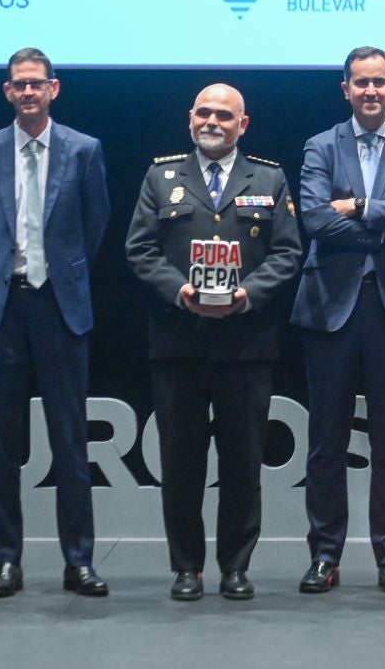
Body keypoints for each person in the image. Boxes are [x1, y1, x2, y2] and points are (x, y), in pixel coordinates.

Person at [124, 83, 302, 602]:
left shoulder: (269, 177)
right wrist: (180, 291)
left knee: (243, 463)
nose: (213, 122)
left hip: (246, 344)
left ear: (242, 125)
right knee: (180, 464)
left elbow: (287, 253)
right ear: (189, 119)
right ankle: (186, 567)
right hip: (179, 342)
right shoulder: (162, 177)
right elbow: (139, 250)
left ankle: (235, 566)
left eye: (225, 115)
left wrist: (247, 295)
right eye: (204, 113)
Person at [0, 47, 112, 599]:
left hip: (60, 308)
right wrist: (3, 277)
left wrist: (62, 276)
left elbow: (95, 227)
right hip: (3, 310)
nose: (28, 92)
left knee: (70, 443)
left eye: (36, 84)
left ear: (54, 88)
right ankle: (6, 561)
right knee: (1, 447)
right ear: (7, 92)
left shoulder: (84, 151)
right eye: (18, 84)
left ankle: (79, 561)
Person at [291, 46, 385, 596]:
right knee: (326, 440)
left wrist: (354, 207)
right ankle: (325, 556)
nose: (371, 91)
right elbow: (312, 218)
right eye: (361, 83)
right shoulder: (319, 145)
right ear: (345, 89)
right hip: (330, 304)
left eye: (380, 82)